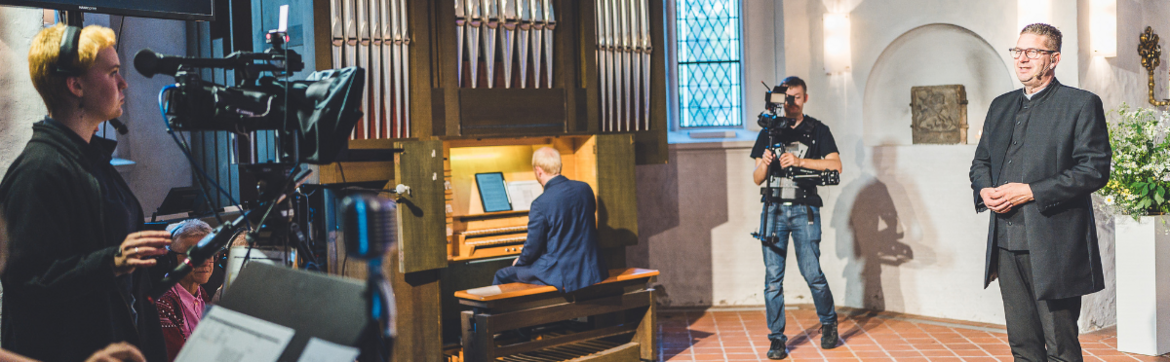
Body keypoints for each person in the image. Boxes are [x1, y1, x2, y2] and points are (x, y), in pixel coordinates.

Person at [0, 24, 170, 361]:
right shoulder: (39, 171)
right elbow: (27, 282)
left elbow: (110, 241)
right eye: (112, 73)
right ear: (75, 85)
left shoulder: (90, 159)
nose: (124, 83)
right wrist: (112, 261)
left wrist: (168, 246)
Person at [969, 23, 1109, 362]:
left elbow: (1094, 170)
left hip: (1054, 244)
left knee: (1060, 344)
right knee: (1022, 344)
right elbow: (981, 162)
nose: (1022, 58)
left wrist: (1031, 191)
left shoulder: (1081, 104)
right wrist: (984, 188)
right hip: (1005, 243)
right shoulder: (1001, 106)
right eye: (1018, 51)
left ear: (1054, 58)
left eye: (1033, 51)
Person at [750, 76, 842, 359]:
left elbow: (836, 166)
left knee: (812, 273)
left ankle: (828, 324)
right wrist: (765, 164)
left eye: (797, 97)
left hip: (804, 210)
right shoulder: (768, 131)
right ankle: (776, 339)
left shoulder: (817, 130)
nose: (791, 103)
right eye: (786, 98)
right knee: (773, 279)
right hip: (774, 209)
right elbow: (756, 179)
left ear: (805, 98)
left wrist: (800, 161)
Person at [492, 147, 606, 293]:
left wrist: (519, 262)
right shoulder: (585, 189)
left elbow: (533, 247)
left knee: (502, 275)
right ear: (559, 166)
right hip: (592, 268)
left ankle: (491, 316)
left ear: (538, 171)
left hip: (561, 273)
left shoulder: (540, 203)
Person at [155, 219, 216, 362]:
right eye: (194, 253)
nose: (206, 261)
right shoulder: (162, 304)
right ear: (170, 259)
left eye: (209, 252)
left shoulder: (202, 295)